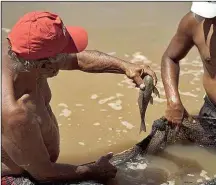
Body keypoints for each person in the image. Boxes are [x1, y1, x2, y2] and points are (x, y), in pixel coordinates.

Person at [1, 11, 157, 184]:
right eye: (63, 52)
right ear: (46, 65)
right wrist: (92, 171)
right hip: (19, 176)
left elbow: (77, 60)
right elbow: (44, 174)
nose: (69, 55)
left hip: (38, 165)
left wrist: (125, 67)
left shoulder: (23, 56)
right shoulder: (15, 111)